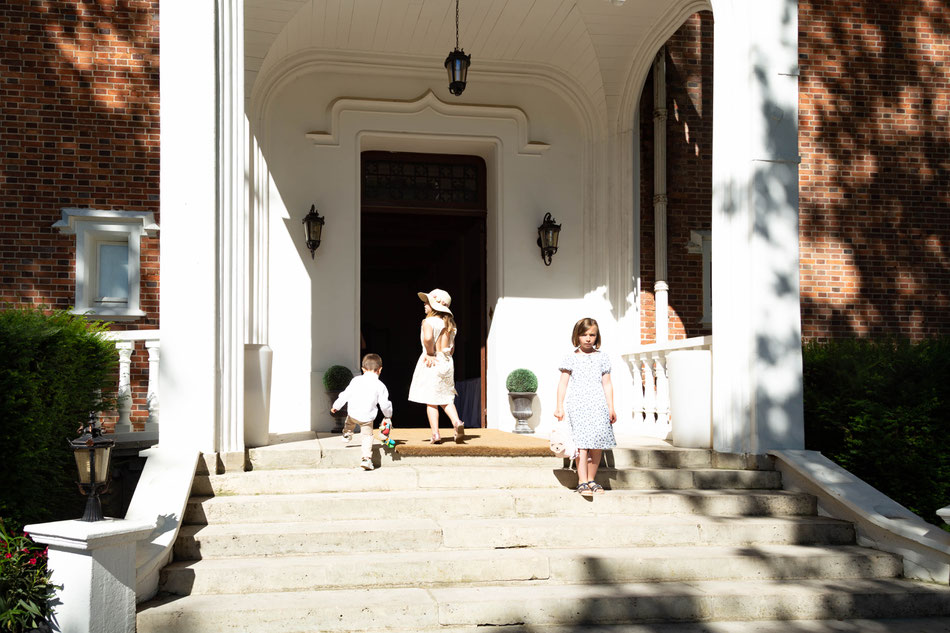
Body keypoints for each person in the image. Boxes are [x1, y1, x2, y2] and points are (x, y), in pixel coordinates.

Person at [554, 317, 616, 497]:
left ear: (597, 336)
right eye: (584, 335)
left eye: (592, 335)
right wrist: (559, 406)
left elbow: (607, 384)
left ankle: (591, 479)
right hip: (578, 406)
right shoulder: (571, 358)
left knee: (596, 446)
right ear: (577, 336)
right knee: (582, 445)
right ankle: (582, 481)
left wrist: (611, 407)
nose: (588, 338)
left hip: (598, 406)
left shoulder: (602, 357)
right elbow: (563, 384)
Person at [407, 288, 465, 444]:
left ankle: (435, 434)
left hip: (432, 360)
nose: (424, 304)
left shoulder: (428, 321)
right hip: (446, 361)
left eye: (428, 302)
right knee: (446, 397)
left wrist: (430, 352)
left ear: (435, 306)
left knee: (431, 400)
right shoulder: (450, 324)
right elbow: (451, 349)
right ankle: (457, 422)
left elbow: (427, 338)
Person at [331, 353, 393, 471]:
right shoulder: (380, 385)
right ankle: (366, 459)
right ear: (380, 370)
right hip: (367, 418)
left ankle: (347, 434)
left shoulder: (355, 380)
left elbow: (345, 395)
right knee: (367, 437)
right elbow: (385, 404)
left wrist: (336, 406)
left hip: (353, 414)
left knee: (349, 423)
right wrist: (388, 416)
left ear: (363, 369)